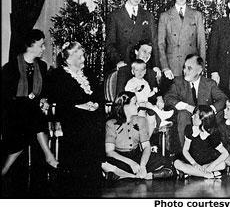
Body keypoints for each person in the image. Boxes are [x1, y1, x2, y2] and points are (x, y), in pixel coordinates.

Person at [47, 41, 105, 187]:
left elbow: (98, 93)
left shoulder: (89, 73)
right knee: (83, 122)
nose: (84, 60)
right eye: (80, 57)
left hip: (90, 111)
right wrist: (80, 106)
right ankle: (76, 172)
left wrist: (96, 104)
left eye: (83, 56)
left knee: (97, 118)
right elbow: (60, 99)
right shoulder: (59, 75)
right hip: (70, 112)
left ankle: (94, 169)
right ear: (69, 59)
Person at [1, 29, 58, 176]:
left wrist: (44, 100)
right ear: (30, 46)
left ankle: (4, 169)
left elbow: (46, 92)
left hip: (32, 113)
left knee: (33, 116)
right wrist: (29, 101)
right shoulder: (11, 67)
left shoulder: (42, 66)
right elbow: (7, 97)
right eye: (41, 45)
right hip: (14, 113)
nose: (44, 48)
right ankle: (49, 156)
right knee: (31, 115)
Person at [103, 91, 175, 180]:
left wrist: (143, 165)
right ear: (125, 106)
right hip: (120, 157)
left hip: (137, 155)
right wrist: (131, 163)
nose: (138, 106)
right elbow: (109, 151)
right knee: (105, 164)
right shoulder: (111, 123)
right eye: (134, 103)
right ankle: (134, 176)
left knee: (166, 163)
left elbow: (146, 147)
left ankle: (132, 175)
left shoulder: (141, 120)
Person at [164, 54, 227, 150]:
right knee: (183, 114)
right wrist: (187, 106)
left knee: (219, 114)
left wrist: (210, 110)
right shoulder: (178, 82)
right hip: (187, 119)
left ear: (199, 70)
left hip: (205, 121)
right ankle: (185, 153)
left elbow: (223, 99)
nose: (185, 71)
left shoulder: (209, 84)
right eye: (184, 67)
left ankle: (213, 151)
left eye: (189, 68)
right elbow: (168, 98)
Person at [105, 0, 161, 76]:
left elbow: (154, 43)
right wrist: (118, 61)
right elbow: (110, 44)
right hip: (124, 66)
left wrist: (156, 65)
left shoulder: (148, 16)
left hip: (143, 68)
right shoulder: (115, 16)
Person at [158, 0, 206, 79]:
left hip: (192, 64)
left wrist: (201, 66)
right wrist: (165, 67)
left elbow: (201, 43)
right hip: (173, 66)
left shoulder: (197, 15)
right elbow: (160, 44)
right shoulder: (165, 16)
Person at [173, 105, 229, 179]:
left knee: (222, 164)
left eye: (195, 116)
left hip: (207, 162)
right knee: (177, 163)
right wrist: (194, 163)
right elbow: (185, 150)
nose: (192, 117)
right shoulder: (190, 129)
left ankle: (193, 172)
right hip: (192, 160)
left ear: (203, 120)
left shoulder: (212, 134)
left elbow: (225, 153)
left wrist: (211, 166)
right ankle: (206, 174)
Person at [124, 58, 174, 135]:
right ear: (132, 71)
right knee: (148, 107)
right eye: (137, 70)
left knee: (151, 106)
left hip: (145, 102)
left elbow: (147, 95)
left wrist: (153, 92)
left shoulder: (145, 82)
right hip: (136, 104)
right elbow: (127, 92)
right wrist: (135, 90)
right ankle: (162, 116)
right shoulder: (131, 82)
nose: (140, 72)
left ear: (145, 72)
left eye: (142, 70)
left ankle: (161, 118)